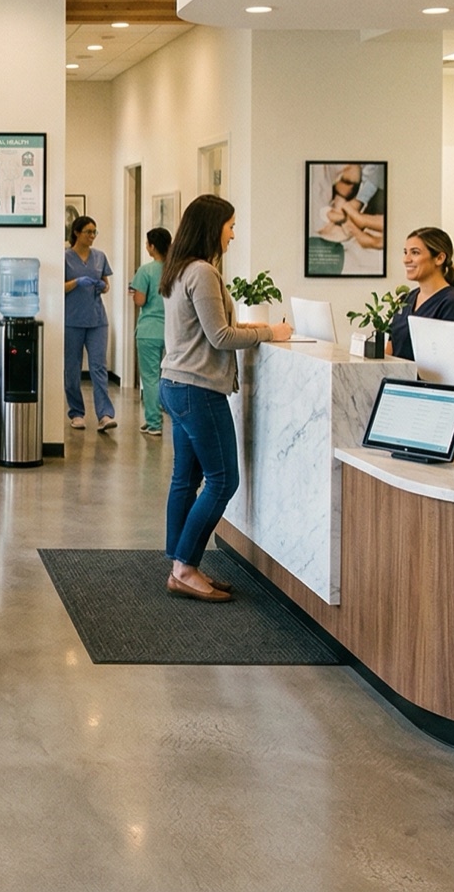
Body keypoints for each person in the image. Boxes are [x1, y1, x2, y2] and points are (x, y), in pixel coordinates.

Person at [157, 195, 293, 602]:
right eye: (230, 226)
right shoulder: (202, 271)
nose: (234, 234)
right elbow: (219, 338)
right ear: (213, 227)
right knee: (222, 480)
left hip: (176, 383)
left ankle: (178, 563)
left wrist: (245, 324)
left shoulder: (180, 269)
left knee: (187, 478)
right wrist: (271, 332)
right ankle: (184, 568)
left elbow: (206, 327)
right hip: (198, 389)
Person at [385, 226, 454, 361]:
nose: (406, 259)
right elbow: (391, 349)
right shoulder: (406, 299)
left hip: (427, 382)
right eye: (405, 252)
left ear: (439, 258)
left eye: (415, 253)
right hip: (399, 378)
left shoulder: (453, 305)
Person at [63, 215, 116, 431]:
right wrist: (77, 282)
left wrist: (102, 287)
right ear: (77, 233)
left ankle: (105, 414)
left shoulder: (99, 257)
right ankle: (76, 413)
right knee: (72, 368)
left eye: (95, 232)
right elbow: (59, 287)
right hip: (72, 320)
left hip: (97, 320)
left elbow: (106, 285)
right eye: (88, 232)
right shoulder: (65, 258)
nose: (92, 236)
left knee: (98, 367)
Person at [129, 226, 172, 436]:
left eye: (147, 243)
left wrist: (134, 292)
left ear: (152, 246)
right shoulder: (175, 269)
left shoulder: (145, 271)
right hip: (172, 331)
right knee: (169, 376)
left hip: (148, 330)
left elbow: (140, 300)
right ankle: (160, 416)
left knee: (150, 377)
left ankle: (154, 422)